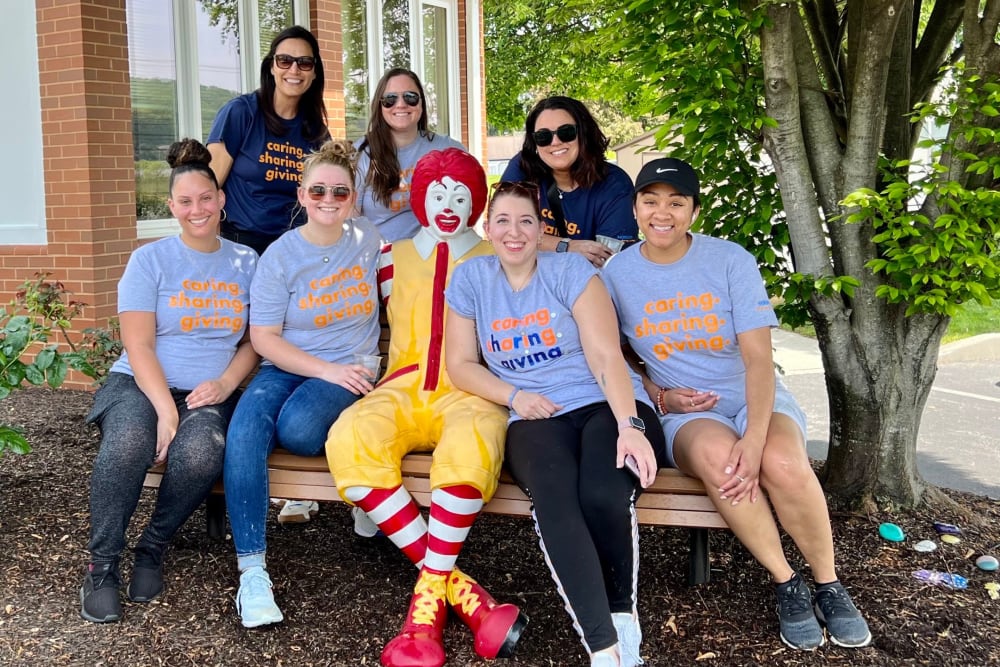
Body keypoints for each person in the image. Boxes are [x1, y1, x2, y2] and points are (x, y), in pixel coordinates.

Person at [601, 157, 872, 651]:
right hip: (687, 412)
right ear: (635, 208)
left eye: (676, 203)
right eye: (651, 201)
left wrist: (754, 436)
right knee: (722, 462)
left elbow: (758, 361)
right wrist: (660, 395)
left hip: (753, 394)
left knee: (782, 461)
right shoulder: (617, 274)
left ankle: (829, 583)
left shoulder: (729, 260)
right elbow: (613, 354)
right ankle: (786, 581)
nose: (663, 213)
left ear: (694, 212)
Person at [445, 180, 665, 667]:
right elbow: (459, 364)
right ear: (487, 227)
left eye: (526, 220)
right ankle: (604, 649)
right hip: (533, 412)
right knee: (555, 497)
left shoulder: (570, 272)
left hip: (605, 403)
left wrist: (630, 425)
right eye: (502, 220)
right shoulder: (471, 278)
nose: (514, 231)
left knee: (603, 492)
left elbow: (607, 355)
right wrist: (515, 396)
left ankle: (623, 616)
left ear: (542, 228)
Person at [326, 149, 526, 667]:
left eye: (461, 196)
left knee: (472, 443)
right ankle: (465, 595)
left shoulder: (493, 257)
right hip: (402, 385)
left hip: (470, 387)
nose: (448, 204)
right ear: (420, 198)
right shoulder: (390, 257)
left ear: (476, 203)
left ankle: (424, 611)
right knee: (350, 436)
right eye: (438, 193)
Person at [79, 139, 258, 624]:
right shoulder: (149, 261)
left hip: (207, 390)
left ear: (221, 200)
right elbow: (138, 345)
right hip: (139, 384)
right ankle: (102, 566)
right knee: (129, 444)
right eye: (185, 201)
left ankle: (151, 548)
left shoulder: (247, 263)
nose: (196, 209)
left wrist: (224, 384)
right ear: (172, 206)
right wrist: (165, 410)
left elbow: (253, 342)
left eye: (205, 198)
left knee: (202, 452)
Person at [223, 139, 384, 628]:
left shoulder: (370, 240)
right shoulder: (281, 255)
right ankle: (252, 573)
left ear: (353, 197)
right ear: (301, 194)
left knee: (298, 429)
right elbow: (264, 338)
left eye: (340, 191)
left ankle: (363, 493)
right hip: (291, 365)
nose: (329, 200)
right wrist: (324, 370)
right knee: (244, 433)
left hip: (353, 367)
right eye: (319, 191)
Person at [207, 25, 330, 256]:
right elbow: (208, 187)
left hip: (297, 248)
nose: (294, 69)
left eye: (304, 62)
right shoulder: (241, 113)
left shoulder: (316, 132)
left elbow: (325, 194)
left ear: (314, 73)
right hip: (242, 247)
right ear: (271, 67)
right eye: (284, 60)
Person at [501, 96, 638, 268]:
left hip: (590, 286)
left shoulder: (614, 184)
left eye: (566, 132)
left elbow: (608, 259)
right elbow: (502, 232)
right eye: (543, 136)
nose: (555, 142)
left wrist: (532, 240)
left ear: (584, 133)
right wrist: (566, 246)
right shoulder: (523, 167)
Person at [354, 68, 465, 242]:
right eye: (390, 99)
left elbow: (469, 205)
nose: (400, 105)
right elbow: (350, 218)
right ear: (379, 105)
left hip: (436, 255)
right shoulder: (362, 152)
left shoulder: (448, 149)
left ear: (421, 103)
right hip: (379, 257)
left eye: (410, 97)